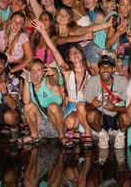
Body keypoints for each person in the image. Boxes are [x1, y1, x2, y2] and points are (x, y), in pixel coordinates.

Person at [34, 18, 94, 148]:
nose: (75, 54)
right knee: (69, 123)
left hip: (87, 106)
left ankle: (88, 133)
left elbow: (99, 87)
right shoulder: (68, 72)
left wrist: (90, 91)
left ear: (81, 55)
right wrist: (44, 33)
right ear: (70, 59)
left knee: (81, 106)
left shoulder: (91, 71)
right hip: (72, 107)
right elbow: (55, 51)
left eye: (77, 52)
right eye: (72, 53)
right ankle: (77, 129)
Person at [14, 58, 74, 147]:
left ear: (43, 72)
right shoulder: (28, 86)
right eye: (32, 70)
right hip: (41, 129)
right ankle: (34, 135)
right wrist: (27, 80)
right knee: (27, 106)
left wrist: (54, 71)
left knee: (52, 106)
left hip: (58, 126)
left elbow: (55, 79)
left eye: (38, 70)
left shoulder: (48, 82)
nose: (35, 73)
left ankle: (62, 137)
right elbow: (26, 102)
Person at [85, 55, 130, 150]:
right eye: (102, 67)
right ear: (98, 70)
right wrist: (92, 105)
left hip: (118, 115)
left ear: (113, 69)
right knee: (90, 115)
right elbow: (86, 107)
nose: (105, 70)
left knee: (127, 117)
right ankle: (101, 133)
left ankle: (121, 134)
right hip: (102, 116)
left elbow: (130, 107)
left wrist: (116, 108)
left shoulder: (122, 81)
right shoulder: (92, 81)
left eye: (109, 67)